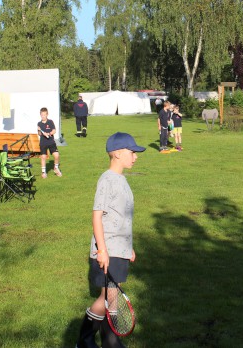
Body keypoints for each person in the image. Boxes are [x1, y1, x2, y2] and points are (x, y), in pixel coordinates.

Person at [76, 132, 145, 348]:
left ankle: (108, 340)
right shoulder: (107, 180)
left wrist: (128, 247)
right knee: (108, 298)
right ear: (116, 153)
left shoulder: (121, 180)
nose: (135, 156)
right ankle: (85, 341)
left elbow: (123, 218)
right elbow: (97, 215)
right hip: (109, 250)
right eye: (131, 152)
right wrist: (102, 250)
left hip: (120, 249)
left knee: (111, 298)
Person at [37, 107, 62, 178]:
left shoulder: (50, 122)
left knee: (56, 155)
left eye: (44, 115)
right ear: (40, 115)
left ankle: (56, 168)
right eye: (42, 115)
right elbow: (39, 134)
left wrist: (49, 133)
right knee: (43, 157)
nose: (43, 116)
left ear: (47, 114)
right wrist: (39, 130)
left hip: (51, 142)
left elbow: (54, 130)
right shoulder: (39, 123)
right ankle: (43, 172)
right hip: (43, 143)